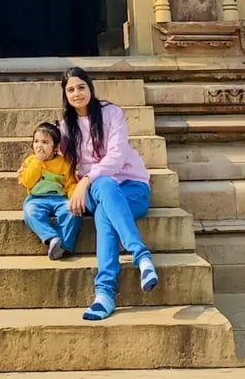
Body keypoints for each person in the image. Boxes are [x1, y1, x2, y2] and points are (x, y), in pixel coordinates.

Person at [60, 66, 158, 321]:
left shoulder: (111, 114)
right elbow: (54, 161)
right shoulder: (65, 128)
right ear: (65, 96)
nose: (77, 93)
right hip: (94, 191)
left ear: (90, 89)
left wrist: (87, 180)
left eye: (81, 87)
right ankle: (141, 256)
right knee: (103, 187)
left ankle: (104, 294)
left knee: (105, 208)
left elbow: (116, 156)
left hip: (132, 188)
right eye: (70, 89)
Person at [19, 121, 81, 260]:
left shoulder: (64, 163)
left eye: (45, 142)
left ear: (56, 147)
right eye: (36, 141)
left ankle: (63, 245)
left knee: (72, 212)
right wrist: (37, 162)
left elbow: (71, 183)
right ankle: (52, 237)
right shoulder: (31, 161)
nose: (39, 146)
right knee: (30, 212)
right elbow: (27, 181)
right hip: (36, 199)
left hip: (60, 198)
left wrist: (73, 197)